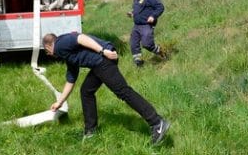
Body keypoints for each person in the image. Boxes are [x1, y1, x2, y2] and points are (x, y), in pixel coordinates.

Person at [43, 32, 171, 145]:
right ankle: (90, 131)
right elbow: (70, 80)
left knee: (123, 92)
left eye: (46, 52)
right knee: (86, 91)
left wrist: (102, 51)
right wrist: (59, 102)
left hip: (103, 60)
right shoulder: (68, 56)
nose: (48, 55)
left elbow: (80, 37)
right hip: (98, 64)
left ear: (49, 45)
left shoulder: (60, 44)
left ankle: (156, 122)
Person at [127, 0, 166, 67]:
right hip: (136, 26)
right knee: (133, 44)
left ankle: (159, 51)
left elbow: (160, 7)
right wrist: (132, 13)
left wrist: (153, 16)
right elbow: (137, 10)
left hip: (146, 25)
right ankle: (139, 64)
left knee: (146, 44)